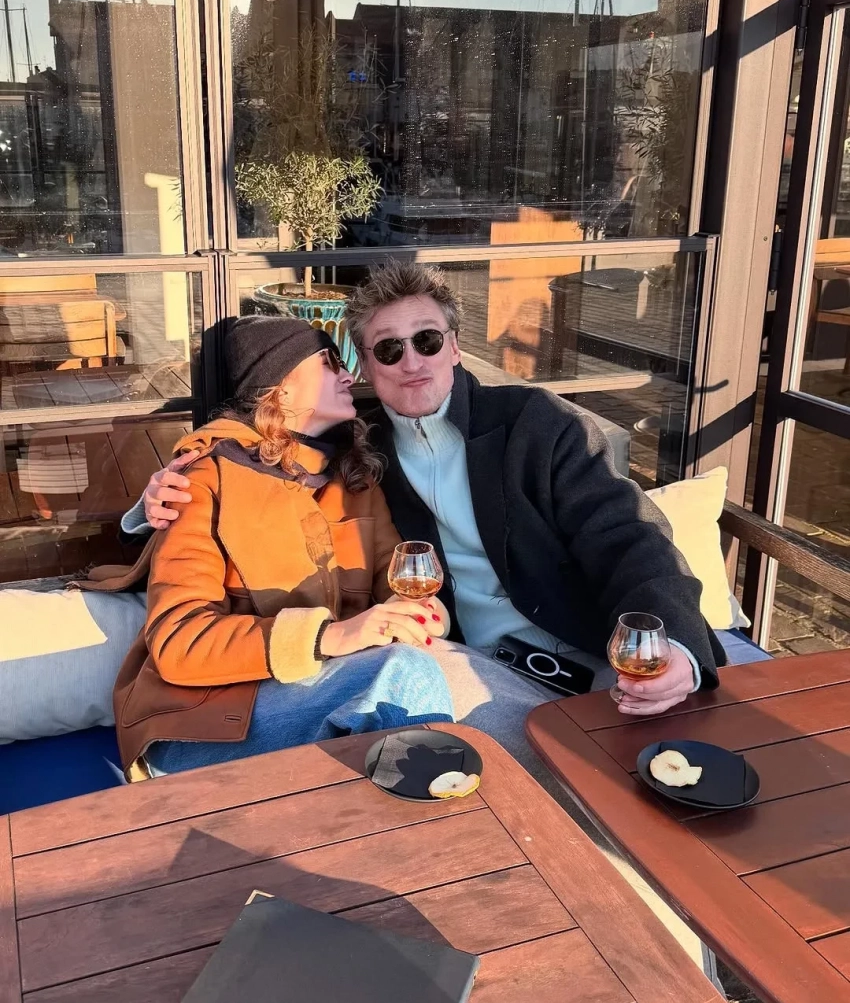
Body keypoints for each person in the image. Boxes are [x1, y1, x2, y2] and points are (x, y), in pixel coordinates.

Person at [139, 263, 726, 738]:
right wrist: (154, 500)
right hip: (474, 668)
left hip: (594, 657)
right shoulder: (362, 454)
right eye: (388, 350)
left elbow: (628, 535)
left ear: (455, 348)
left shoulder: (536, 425)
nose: (412, 361)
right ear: (368, 367)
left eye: (426, 340)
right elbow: (254, 457)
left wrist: (673, 646)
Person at [85, 316, 454, 779]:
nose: (348, 376)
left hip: (321, 689)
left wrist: (419, 612)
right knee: (404, 678)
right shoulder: (205, 480)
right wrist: (330, 636)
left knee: (417, 695)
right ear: (279, 389)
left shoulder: (354, 480)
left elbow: (392, 577)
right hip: (203, 720)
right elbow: (179, 641)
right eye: (329, 363)